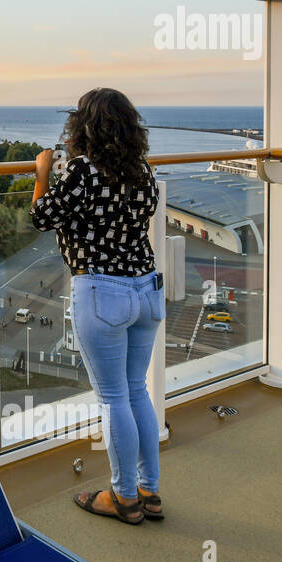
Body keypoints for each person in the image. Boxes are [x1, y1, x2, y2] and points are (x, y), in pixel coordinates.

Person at [30, 88, 165, 525]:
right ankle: (150, 491)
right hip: (146, 288)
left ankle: (123, 498)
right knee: (136, 391)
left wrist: (41, 174)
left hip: (103, 292)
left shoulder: (83, 171)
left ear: (81, 126)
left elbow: (42, 216)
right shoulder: (143, 170)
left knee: (112, 400)